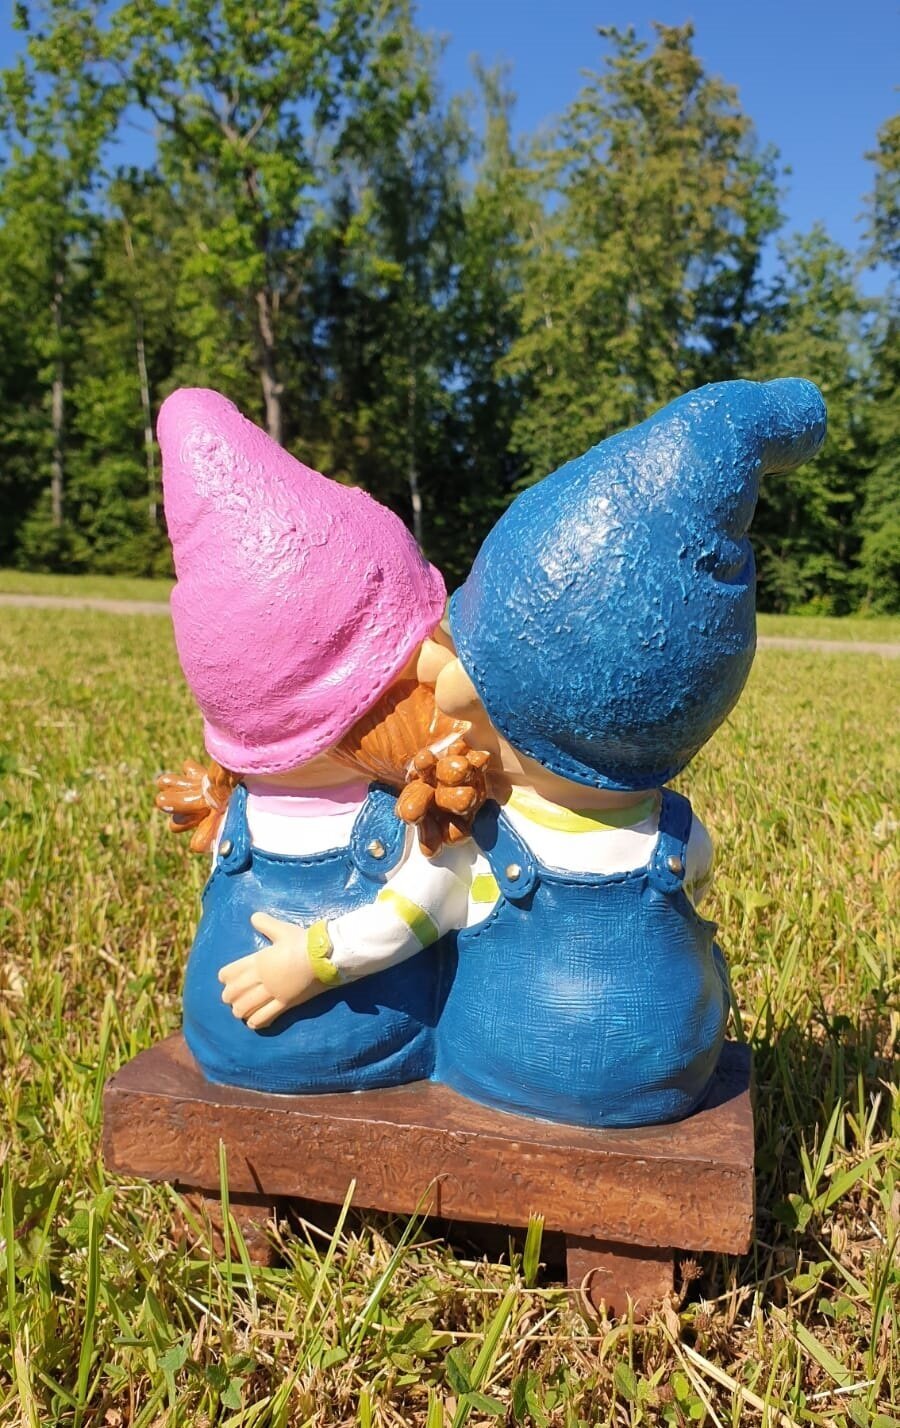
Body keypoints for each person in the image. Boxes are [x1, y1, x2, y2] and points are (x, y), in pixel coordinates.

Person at [422, 378, 827, 1127]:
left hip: (502, 1062)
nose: (445, 694)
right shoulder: (679, 836)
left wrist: (316, 959)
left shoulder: (481, 840)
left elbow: (415, 915)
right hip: (672, 1064)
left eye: (472, 686)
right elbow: (696, 876)